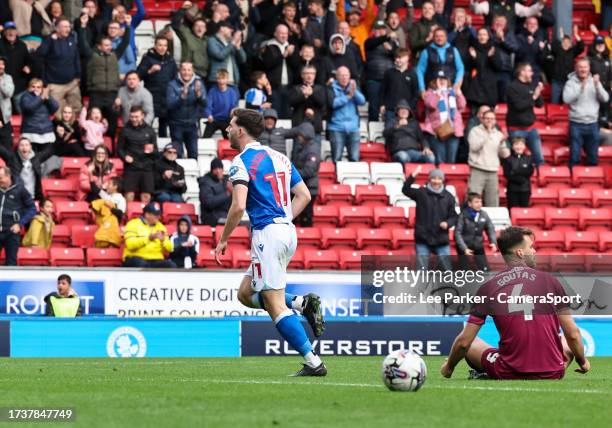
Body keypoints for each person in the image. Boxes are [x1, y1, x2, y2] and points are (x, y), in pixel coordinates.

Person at [216, 108, 326, 376]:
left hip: (268, 235)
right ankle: (300, 303)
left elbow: (238, 205)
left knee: (274, 304)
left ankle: (314, 363)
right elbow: (304, 195)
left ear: (241, 130)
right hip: (286, 231)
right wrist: (283, 218)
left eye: (231, 126)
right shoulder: (280, 157)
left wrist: (223, 239)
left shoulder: (240, 162)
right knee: (245, 293)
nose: (227, 130)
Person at [441, 226, 590, 380]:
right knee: (566, 340)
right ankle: (548, 367)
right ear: (520, 253)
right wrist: (582, 361)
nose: (534, 251)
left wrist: (449, 367)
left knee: (472, 342)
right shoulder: (551, 282)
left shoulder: (489, 287)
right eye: (531, 247)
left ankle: (485, 372)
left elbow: (464, 343)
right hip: (553, 372)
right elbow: (573, 334)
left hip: (507, 371)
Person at [401, 166, 457, 271]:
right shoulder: (421, 193)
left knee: (448, 270)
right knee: (421, 270)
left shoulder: (449, 197)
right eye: (434, 178)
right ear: (429, 179)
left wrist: (448, 223)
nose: (436, 181)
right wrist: (413, 176)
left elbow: (454, 216)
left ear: (442, 180)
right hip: (423, 239)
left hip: (441, 239)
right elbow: (405, 190)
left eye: (439, 178)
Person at [78, 31, 125, 142]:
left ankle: (110, 145)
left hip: (111, 94)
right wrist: (82, 28)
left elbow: (125, 43)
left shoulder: (115, 56)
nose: (110, 47)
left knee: (113, 118)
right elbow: (83, 45)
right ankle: (90, 143)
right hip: (96, 94)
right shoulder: (93, 56)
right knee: (91, 120)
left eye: (110, 45)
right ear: (100, 46)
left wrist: (128, 27)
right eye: (106, 45)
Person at [563, 59, 610, 168]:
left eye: (585, 67)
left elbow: (605, 98)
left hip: (593, 124)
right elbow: (566, 99)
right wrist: (580, 88)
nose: (583, 69)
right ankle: (573, 180)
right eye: (580, 67)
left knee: (593, 156)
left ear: (589, 68)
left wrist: (597, 85)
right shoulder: (570, 83)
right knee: (575, 156)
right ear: (576, 69)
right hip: (576, 124)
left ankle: (591, 181)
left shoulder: (595, 81)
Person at [36, 16, 82, 116]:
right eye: (64, 27)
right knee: (59, 114)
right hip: (55, 85)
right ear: (57, 28)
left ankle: (73, 131)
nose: (67, 29)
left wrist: (78, 76)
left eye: (68, 27)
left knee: (77, 109)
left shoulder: (71, 39)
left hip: (72, 83)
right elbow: (39, 54)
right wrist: (50, 39)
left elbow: (76, 58)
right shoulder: (49, 41)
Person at [137, 36, 178, 138]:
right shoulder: (147, 58)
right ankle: (146, 142)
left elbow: (175, 78)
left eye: (165, 45)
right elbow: (138, 76)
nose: (162, 48)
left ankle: (162, 146)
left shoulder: (170, 59)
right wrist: (149, 71)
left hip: (166, 97)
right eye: (160, 45)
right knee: (148, 122)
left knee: (163, 125)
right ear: (155, 46)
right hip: (151, 96)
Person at [422, 70, 466, 164]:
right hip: (438, 131)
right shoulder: (430, 93)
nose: (442, 81)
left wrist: (459, 94)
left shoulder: (452, 92)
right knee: (440, 160)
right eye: (440, 79)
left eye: (444, 79)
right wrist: (438, 93)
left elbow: (462, 106)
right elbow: (431, 105)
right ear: (435, 81)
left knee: (451, 160)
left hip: (453, 130)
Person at [467, 110, 509, 207]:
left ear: (495, 121)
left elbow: (504, 154)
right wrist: (487, 134)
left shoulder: (498, 134)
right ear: (482, 119)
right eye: (487, 118)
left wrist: (503, 142)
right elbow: (474, 147)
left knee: (493, 201)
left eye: (492, 119)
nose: (489, 121)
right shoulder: (475, 131)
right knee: (473, 198)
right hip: (478, 169)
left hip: (493, 171)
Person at [166, 62, 207, 160]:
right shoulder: (172, 84)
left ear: (192, 71)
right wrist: (182, 97)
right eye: (184, 69)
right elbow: (169, 105)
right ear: (180, 71)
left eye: (189, 70)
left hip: (192, 125)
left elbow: (205, 103)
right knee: (178, 154)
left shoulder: (198, 83)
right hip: (176, 125)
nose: (186, 72)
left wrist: (199, 95)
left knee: (193, 154)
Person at [117, 106, 157, 203]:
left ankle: (145, 218)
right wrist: (125, 157)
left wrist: (152, 151)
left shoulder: (150, 130)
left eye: (136, 117)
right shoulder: (125, 130)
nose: (134, 119)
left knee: (146, 196)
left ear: (142, 116)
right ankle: (128, 217)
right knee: (129, 195)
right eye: (132, 117)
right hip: (131, 167)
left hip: (147, 167)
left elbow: (156, 150)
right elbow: (119, 149)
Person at [506, 63, 544, 166]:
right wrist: (534, 97)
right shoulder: (512, 87)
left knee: (539, 158)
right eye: (529, 70)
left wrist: (538, 93)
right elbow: (519, 106)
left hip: (531, 128)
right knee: (517, 160)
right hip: (516, 129)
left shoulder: (530, 85)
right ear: (522, 72)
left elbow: (539, 105)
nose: (532, 73)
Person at [328, 66, 366, 162]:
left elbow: (362, 101)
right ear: (336, 77)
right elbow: (332, 104)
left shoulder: (353, 87)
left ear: (349, 77)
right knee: (336, 158)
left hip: (353, 128)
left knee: (354, 158)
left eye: (346, 75)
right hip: (336, 127)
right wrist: (347, 97)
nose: (344, 78)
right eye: (341, 76)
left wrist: (354, 91)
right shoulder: (331, 88)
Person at [0, 166, 36, 266]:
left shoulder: (20, 189)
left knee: (11, 263)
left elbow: (32, 209)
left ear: (8, 176)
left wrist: (20, 224)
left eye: (1, 178)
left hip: (11, 232)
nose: (0, 181)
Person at [261, 23, 298, 119]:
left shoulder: (290, 47)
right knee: (275, 114)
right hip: (274, 88)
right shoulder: (269, 47)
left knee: (287, 114)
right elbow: (268, 64)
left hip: (288, 87)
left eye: (285, 33)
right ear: (275, 34)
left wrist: (291, 55)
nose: (284, 36)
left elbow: (296, 66)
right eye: (281, 33)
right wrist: (283, 55)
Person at [123, 202, 176, 268]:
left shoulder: (161, 226)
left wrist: (163, 241)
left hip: (156, 259)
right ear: (147, 214)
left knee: (171, 265)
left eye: (159, 215)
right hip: (136, 257)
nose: (158, 217)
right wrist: (148, 238)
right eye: (155, 215)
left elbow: (170, 249)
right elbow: (130, 245)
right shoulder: (133, 224)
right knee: (140, 263)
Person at [416, 28, 464, 97]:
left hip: (450, 88)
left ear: (446, 37)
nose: (439, 38)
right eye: (437, 36)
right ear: (433, 38)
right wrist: (422, 89)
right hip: (432, 89)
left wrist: (456, 85)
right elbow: (420, 71)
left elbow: (460, 68)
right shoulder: (426, 52)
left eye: (442, 36)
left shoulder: (454, 50)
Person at [364, 20, 398, 122]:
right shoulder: (369, 42)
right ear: (373, 31)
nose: (380, 31)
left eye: (382, 29)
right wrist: (386, 38)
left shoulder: (391, 43)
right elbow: (374, 42)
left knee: (390, 106)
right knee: (374, 106)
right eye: (377, 29)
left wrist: (391, 50)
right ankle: (373, 130)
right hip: (373, 79)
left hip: (388, 79)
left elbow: (399, 56)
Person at [454, 192, 496, 271]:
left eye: (480, 201)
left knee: (485, 270)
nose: (479, 204)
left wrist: (493, 242)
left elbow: (490, 228)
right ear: (470, 203)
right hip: (464, 246)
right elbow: (457, 233)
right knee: (464, 271)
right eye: (476, 202)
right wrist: (464, 248)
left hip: (478, 245)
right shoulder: (462, 215)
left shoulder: (484, 214)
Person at [383, 99, 434, 164]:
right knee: (403, 157)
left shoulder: (414, 123)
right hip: (399, 151)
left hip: (414, 152)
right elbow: (385, 133)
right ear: (398, 112)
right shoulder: (392, 121)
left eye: (406, 109)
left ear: (409, 112)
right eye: (402, 109)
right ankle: (408, 174)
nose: (404, 111)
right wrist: (397, 126)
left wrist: (426, 148)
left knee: (430, 157)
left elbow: (422, 138)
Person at [464, 27, 503, 111]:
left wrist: (491, 57)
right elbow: (467, 67)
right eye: (480, 34)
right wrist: (473, 58)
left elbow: (499, 67)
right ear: (477, 36)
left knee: (489, 117)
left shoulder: (493, 49)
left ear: (488, 36)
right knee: (474, 117)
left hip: (489, 89)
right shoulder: (472, 49)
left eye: (484, 34)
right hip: (475, 89)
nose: (482, 36)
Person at [19, 78, 59, 157]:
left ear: (42, 88)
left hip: (46, 132)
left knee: (45, 158)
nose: (35, 89)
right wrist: (41, 98)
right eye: (33, 86)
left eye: (38, 87)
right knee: (32, 158)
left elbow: (55, 107)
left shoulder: (45, 97)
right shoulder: (25, 96)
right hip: (31, 132)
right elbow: (29, 108)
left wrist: (48, 98)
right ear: (29, 87)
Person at [380, 48, 419, 126]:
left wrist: (410, 108)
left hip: (406, 112)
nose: (398, 60)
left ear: (407, 58)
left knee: (406, 135)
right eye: (396, 57)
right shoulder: (389, 73)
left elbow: (415, 94)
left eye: (400, 57)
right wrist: (382, 104)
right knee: (390, 133)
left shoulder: (412, 74)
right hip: (390, 110)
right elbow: (382, 90)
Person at [291, 121, 320, 227]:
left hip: (309, 188)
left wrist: (291, 175)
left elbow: (309, 170)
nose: (299, 137)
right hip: (302, 187)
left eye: (301, 134)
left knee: (305, 217)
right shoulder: (302, 147)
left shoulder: (313, 149)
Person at [547, 26, 584, 104]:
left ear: (571, 44)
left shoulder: (572, 52)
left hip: (568, 82)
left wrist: (576, 34)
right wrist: (560, 37)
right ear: (561, 43)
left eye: (568, 42)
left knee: (567, 104)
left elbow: (581, 47)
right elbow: (553, 46)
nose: (566, 44)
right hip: (556, 82)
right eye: (564, 42)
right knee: (554, 103)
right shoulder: (557, 50)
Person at [288, 64, 326, 141]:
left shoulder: (320, 88)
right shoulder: (296, 88)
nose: (309, 76)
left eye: (312, 73)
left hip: (315, 127)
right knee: (297, 152)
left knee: (315, 152)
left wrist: (312, 94)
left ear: (315, 75)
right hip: (299, 127)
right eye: (307, 73)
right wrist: (303, 95)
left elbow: (322, 103)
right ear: (302, 75)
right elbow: (291, 103)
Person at [171, 5, 209, 80]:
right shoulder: (187, 35)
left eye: (202, 26)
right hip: (190, 75)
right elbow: (175, 24)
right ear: (193, 28)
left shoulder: (208, 40)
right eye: (197, 26)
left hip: (205, 76)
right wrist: (183, 9)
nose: (200, 28)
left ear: (206, 29)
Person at [0, 21, 33, 105]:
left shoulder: (22, 45)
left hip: (19, 85)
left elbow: (29, 60)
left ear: (16, 32)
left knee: (22, 111)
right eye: (8, 30)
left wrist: (28, 67)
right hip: (2, 84)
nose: (11, 32)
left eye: (13, 30)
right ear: (4, 32)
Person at [207, 20, 246, 87]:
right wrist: (233, 42)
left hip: (232, 81)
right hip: (217, 80)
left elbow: (243, 60)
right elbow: (220, 56)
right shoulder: (212, 40)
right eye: (229, 28)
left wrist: (238, 47)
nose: (232, 30)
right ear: (221, 28)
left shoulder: (230, 42)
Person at [203, 69, 240, 138]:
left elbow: (234, 106)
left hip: (227, 120)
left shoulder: (232, 92)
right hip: (214, 120)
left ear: (227, 79)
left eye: (223, 79)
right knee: (205, 138)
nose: (221, 81)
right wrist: (209, 115)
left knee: (231, 140)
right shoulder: (212, 91)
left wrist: (233, 113)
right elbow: (208, 106)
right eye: (219, 79)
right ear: (216, 80)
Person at [92, 176, 125, 248]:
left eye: (109, 184)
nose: (107, 186)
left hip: (113, 225)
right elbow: (96, 190)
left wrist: (111, 208)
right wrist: (91, 180)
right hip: (103, 222)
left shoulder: (121, 199)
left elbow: (120, 214)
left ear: (115, 187)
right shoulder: (107, 196)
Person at [501, 137, 534, 210]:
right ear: (512, 146)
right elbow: (507, 174)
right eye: (516, 144)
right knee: (512, 211)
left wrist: (515, 171)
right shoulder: (508, 159)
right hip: (512, 190)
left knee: (524, 211)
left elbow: (530, 171)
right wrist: (519, 177)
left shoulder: (529, 158)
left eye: (521, 144)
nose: (519, 147)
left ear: (524, 146)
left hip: (525, 189)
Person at [199, 158, 231, 226]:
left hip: (225, 214)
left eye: (220, 168)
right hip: (210, 216)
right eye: (215, 169)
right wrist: (227, 193)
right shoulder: (205, 182)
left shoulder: (227, 180)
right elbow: (208, 203)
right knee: (232, 223)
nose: (218, 171)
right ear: (211, 170)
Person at [0, 57, 14, 150]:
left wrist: (0, 82)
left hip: (5, 119)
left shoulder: (8, 78)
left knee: (8, 146)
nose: (0, 66)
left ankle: (9, 165)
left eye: (2, 64)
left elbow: (9, 93)